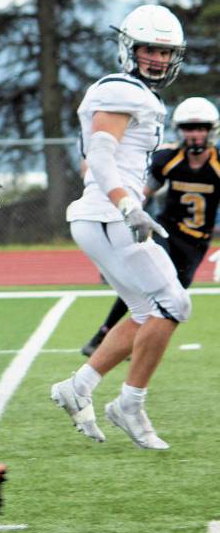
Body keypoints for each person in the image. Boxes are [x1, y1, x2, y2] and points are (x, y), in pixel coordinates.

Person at [52, 4, 188, 451]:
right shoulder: (121, 91)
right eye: (150, 49)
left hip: (102, 215)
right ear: (129, 48)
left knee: (145, 312)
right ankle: (130, 403)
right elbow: (103, 157)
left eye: (166, 53)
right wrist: (128, 204)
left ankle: (80, 385)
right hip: (111, 216)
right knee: (174, 303)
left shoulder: (131, 93)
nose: (158, 60)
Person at [80, 96, 220, 357]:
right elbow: (142, 194)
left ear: (212, 129)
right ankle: (104, 334)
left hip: (197, 243)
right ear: (180, 130)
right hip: (167, 231)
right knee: (149, 281)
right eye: (190, 128)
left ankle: (139, 341)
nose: (195, 134)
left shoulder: (217, 164)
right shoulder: (168, 159)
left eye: (201, 127)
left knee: (175, 298)